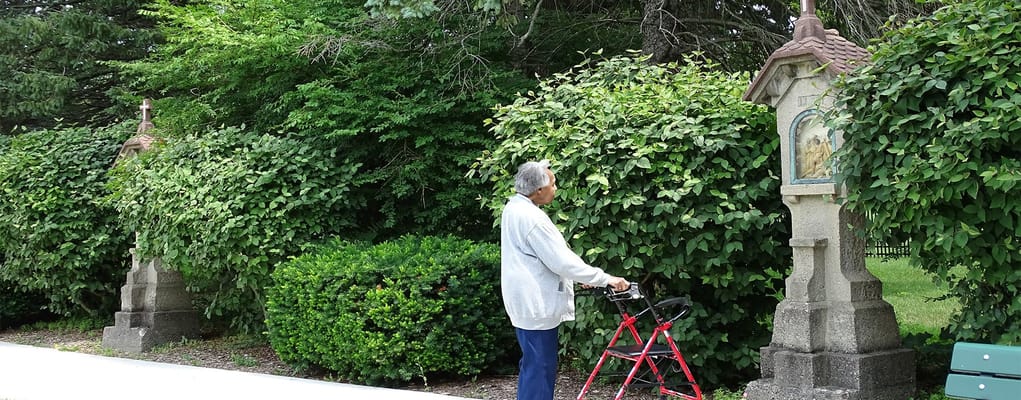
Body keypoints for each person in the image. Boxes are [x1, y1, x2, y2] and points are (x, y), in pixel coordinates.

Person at [500, 159, 630, 400]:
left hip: (525, 303)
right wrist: (605, 279)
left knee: (533, 366)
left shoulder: (513, 208)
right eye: (553, 183)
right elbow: (561, 261)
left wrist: (575, 275)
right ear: (538, 190)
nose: (555, 188)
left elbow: (541, 259)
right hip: (535, 305)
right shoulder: (533, 219)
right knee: (540, 368)